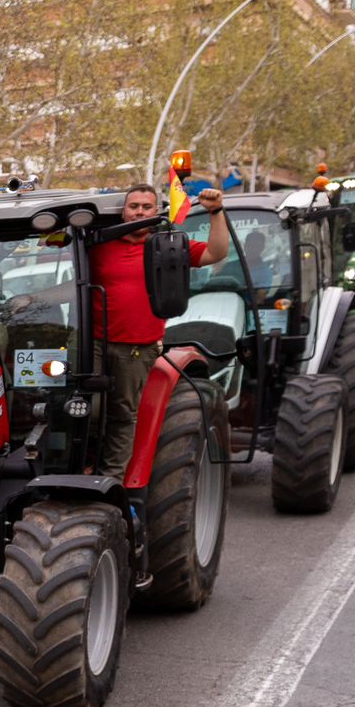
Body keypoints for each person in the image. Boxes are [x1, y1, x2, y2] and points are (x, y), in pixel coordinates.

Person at [87, 181, 229, 482]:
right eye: (134, 206)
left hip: (137, 348)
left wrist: (216, 213)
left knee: (123, 414)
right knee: (84, 406)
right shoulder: (99, 245)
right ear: (123, 212)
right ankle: (80, 467)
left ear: (157, 210)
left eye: (146, 207)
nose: (139, 212)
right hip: (95, 343)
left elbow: (215, 253)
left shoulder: (169, 247)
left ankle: (113, 481)